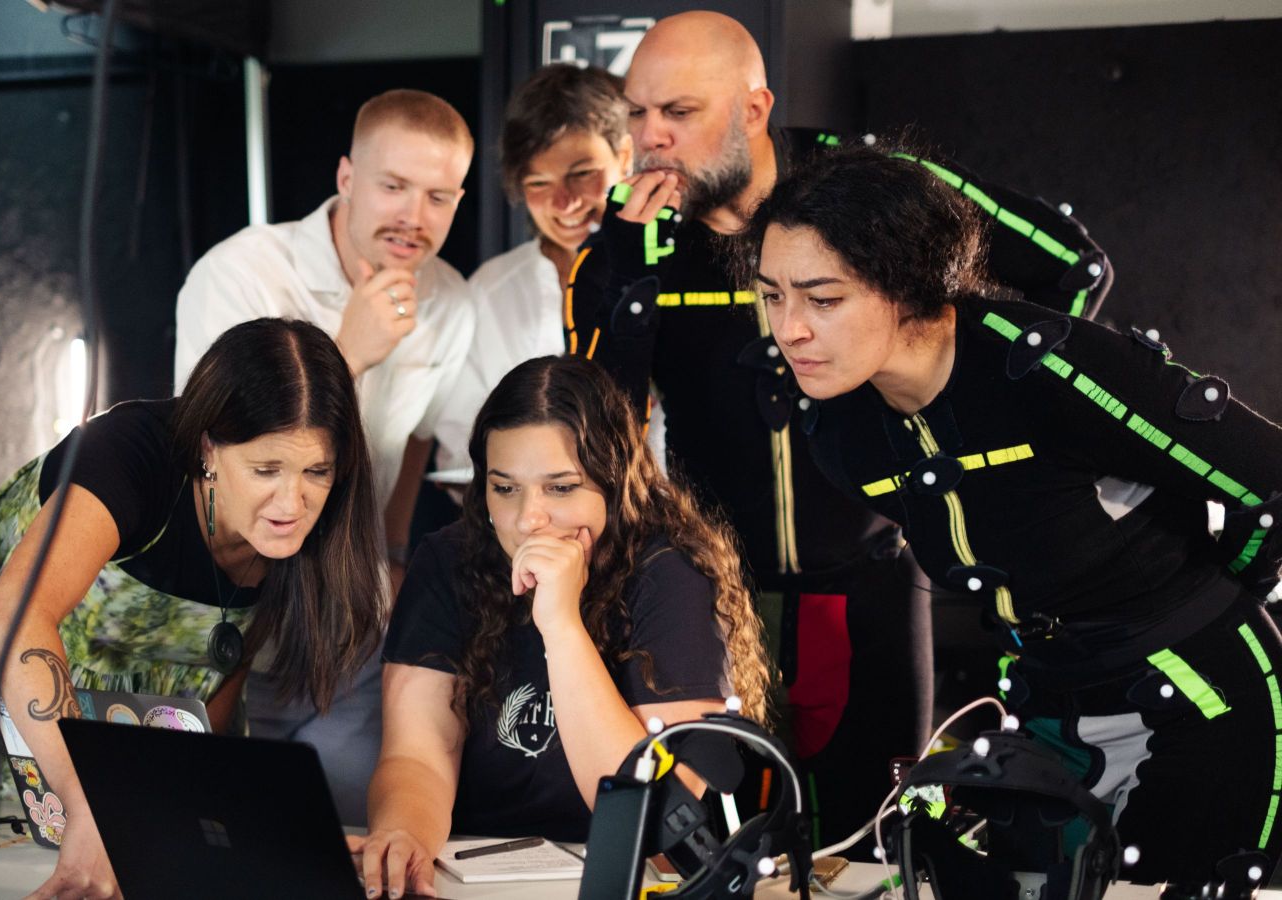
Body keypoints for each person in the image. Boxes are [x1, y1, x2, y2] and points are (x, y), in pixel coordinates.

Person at [563, 10, 1113, 848]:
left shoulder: (865, 185)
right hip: (709, 602)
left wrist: (968, 426)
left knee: (876, 847)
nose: (651, 140)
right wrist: (633, 285)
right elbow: (595, 433)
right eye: (636, 115)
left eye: (679, 113)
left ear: (754, 108)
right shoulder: (628, 240)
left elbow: (1072, 270)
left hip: (872, 589)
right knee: (710, 852)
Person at [745, 145, 1282, 885]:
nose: (790, 328)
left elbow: (1269, 485)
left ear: (905, 283)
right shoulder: (837, 430)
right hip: (1048, 704)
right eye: (772, 295)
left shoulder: (1051, 371)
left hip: (1203, 697)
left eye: (823, 299)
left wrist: (1231, 594)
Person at [0, 318, 385, 899]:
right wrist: (90, 807)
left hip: (140, 738)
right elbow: (10, 619)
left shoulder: (314, 523)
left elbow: (225, 667)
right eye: (266, 470)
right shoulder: (125, 454)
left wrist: (260, 839)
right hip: (3, 699)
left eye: (316, 472)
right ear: (209, 448)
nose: (293, 502)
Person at [356, 355, 774, 899]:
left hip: (627, 880)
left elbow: (651, 811)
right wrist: (405, 835)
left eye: (560, 488)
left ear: (615, 481)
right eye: (505, 488)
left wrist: (561, 625)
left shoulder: (670, 574)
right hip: (475, 876)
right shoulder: (449, 562)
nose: (529, 518)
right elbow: (417, 754)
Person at [173, 90, 476, 821]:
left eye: (438, 197)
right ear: (346, 177)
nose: (413, 216)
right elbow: (203, 450)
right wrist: (349, 352)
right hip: (228, 604)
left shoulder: (451, 300)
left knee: (335, 831)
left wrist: (395, 553)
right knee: (213, 823)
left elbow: (415, 443)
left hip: (349, 610)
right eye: (393, 186)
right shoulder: (242, 272)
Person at [432, 64, 644, 473]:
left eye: (582, 174)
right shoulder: (489, 292)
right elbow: (461, 445)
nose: (564, 202)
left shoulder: (664, 275)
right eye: (538, 184)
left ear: (625, 156)